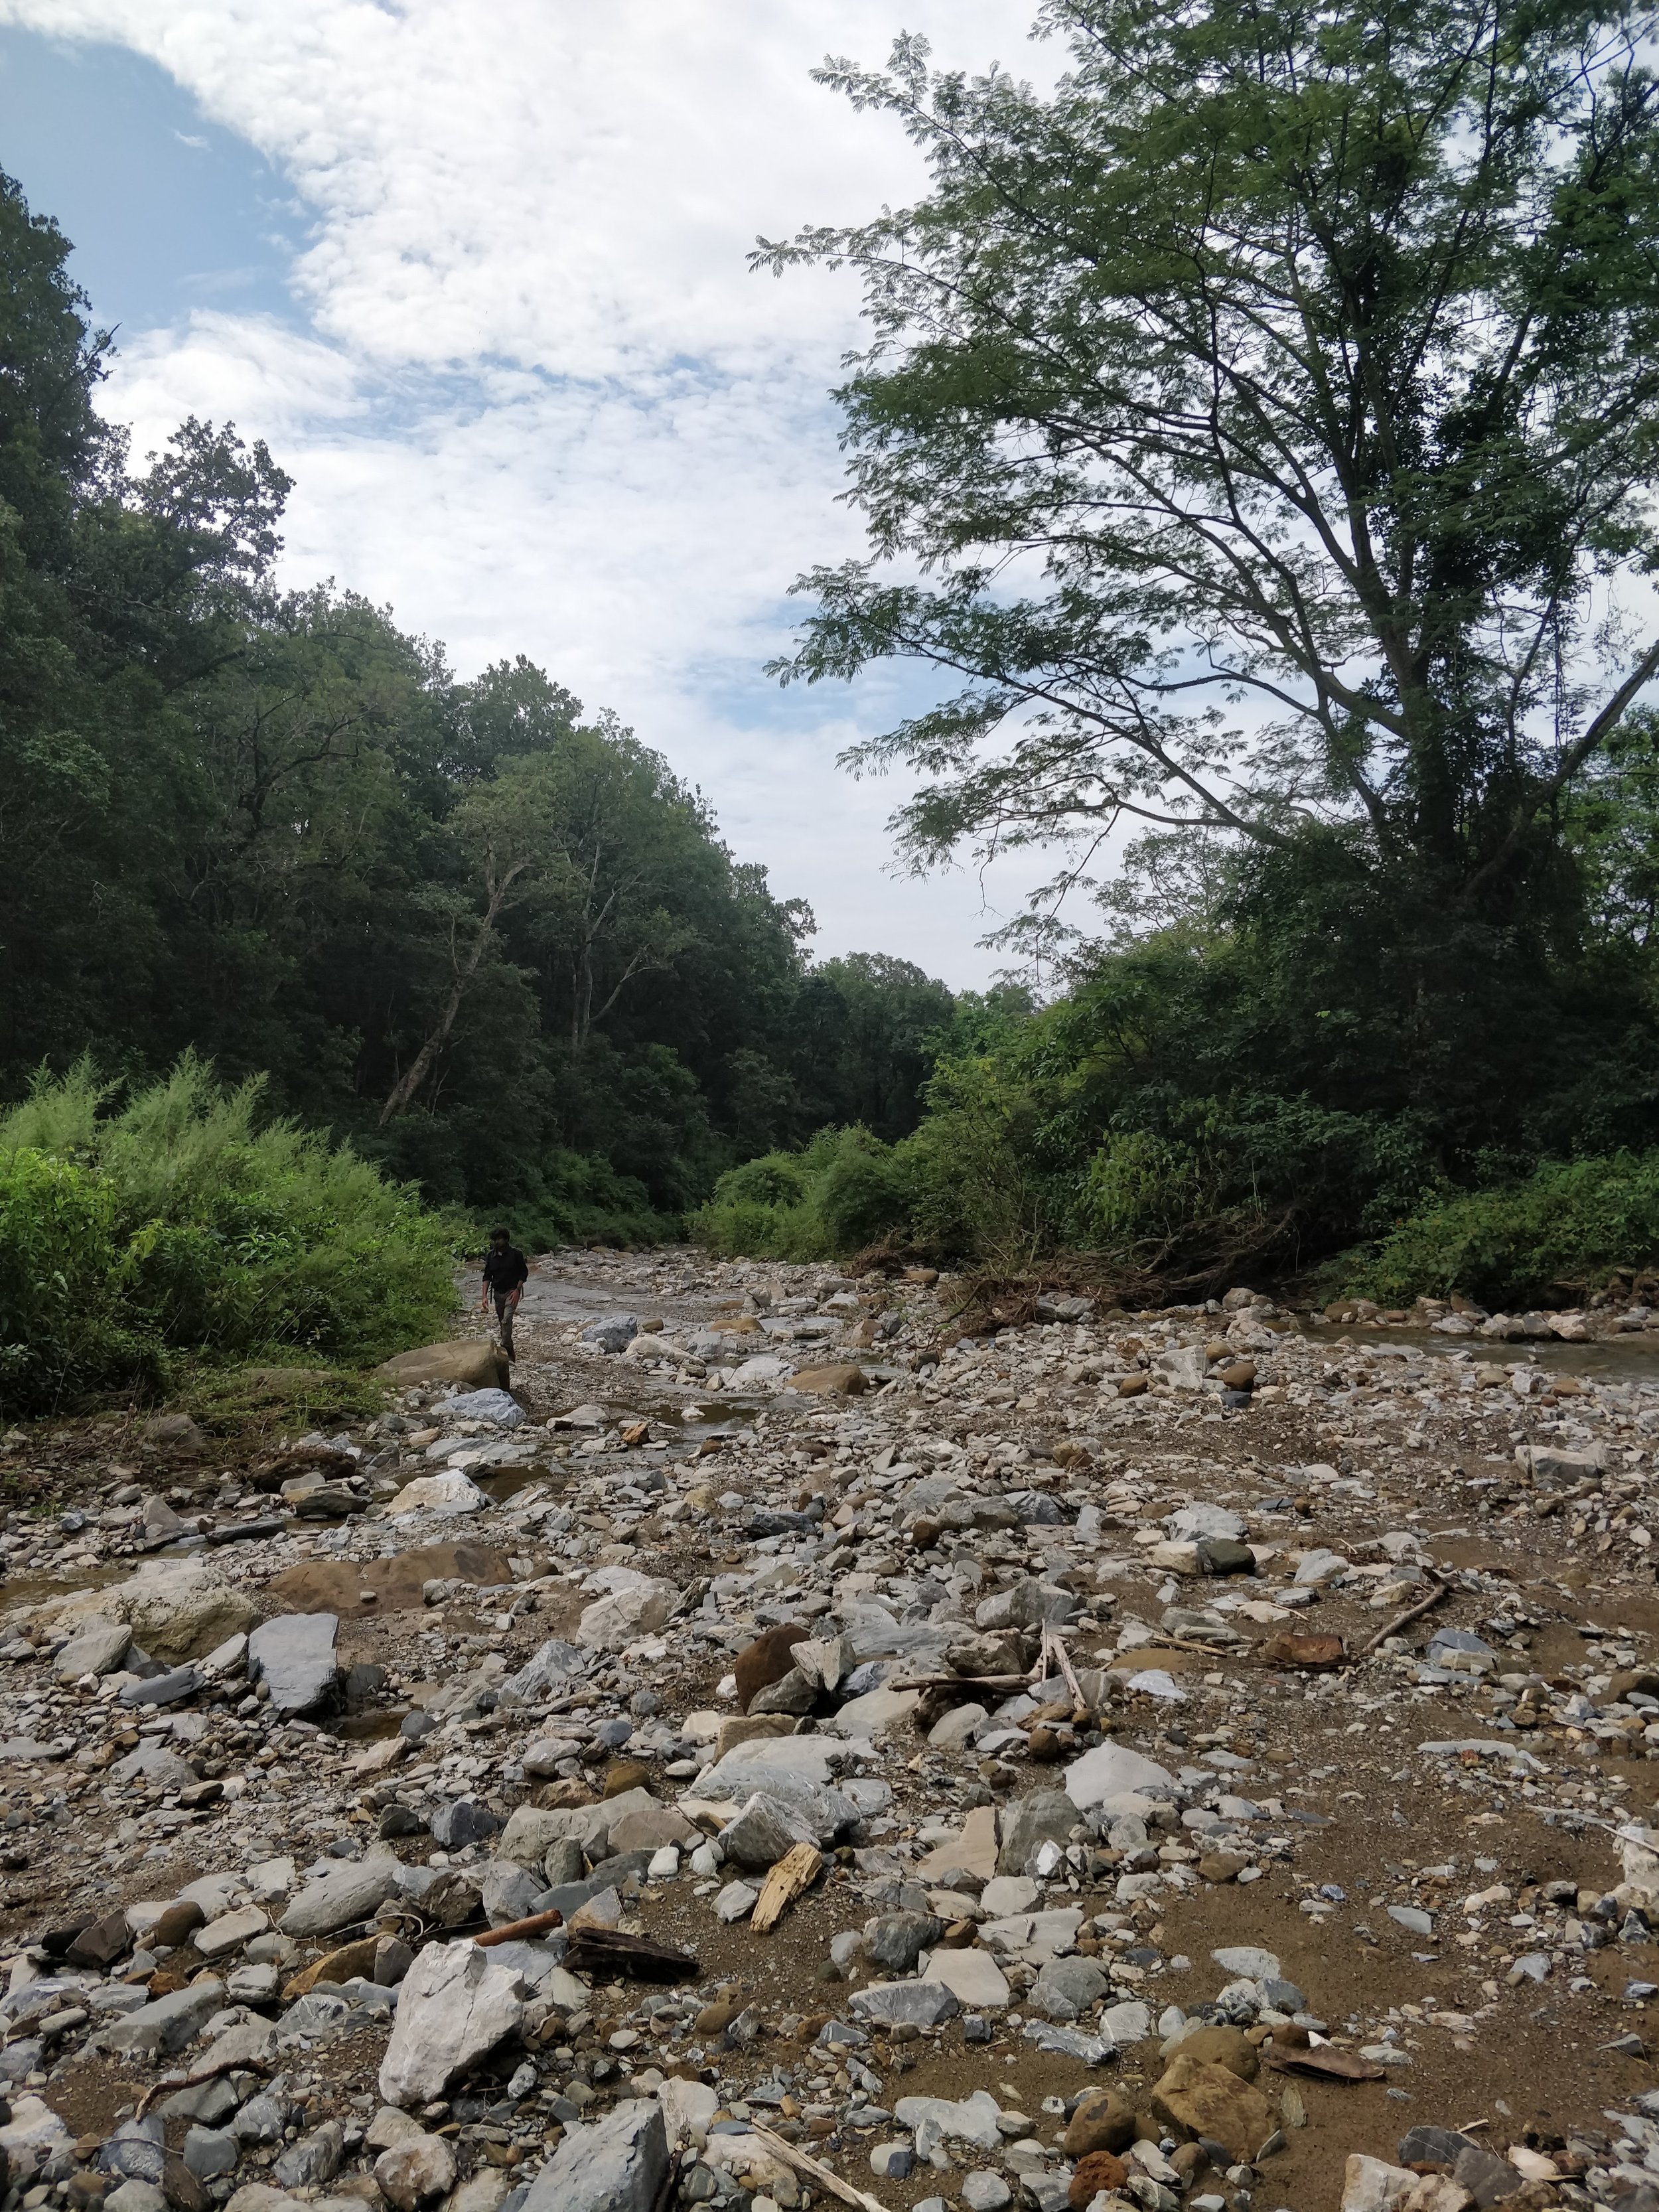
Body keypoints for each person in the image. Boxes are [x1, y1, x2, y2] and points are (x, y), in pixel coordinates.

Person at [480, 1227, 528, 1361]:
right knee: (502, 1323)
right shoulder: (490, 1256)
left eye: (499, 1239)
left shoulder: (516, 1254)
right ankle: (510, 1351)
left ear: (506, 1240)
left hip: (512, 1292)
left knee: (506, 1321)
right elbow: (487, 1277)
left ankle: (505, 1349)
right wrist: (484, 1297)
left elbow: (524, 1273)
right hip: (497, 1293)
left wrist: (517, 1290)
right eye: (494, 1240)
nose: (496, 1242)